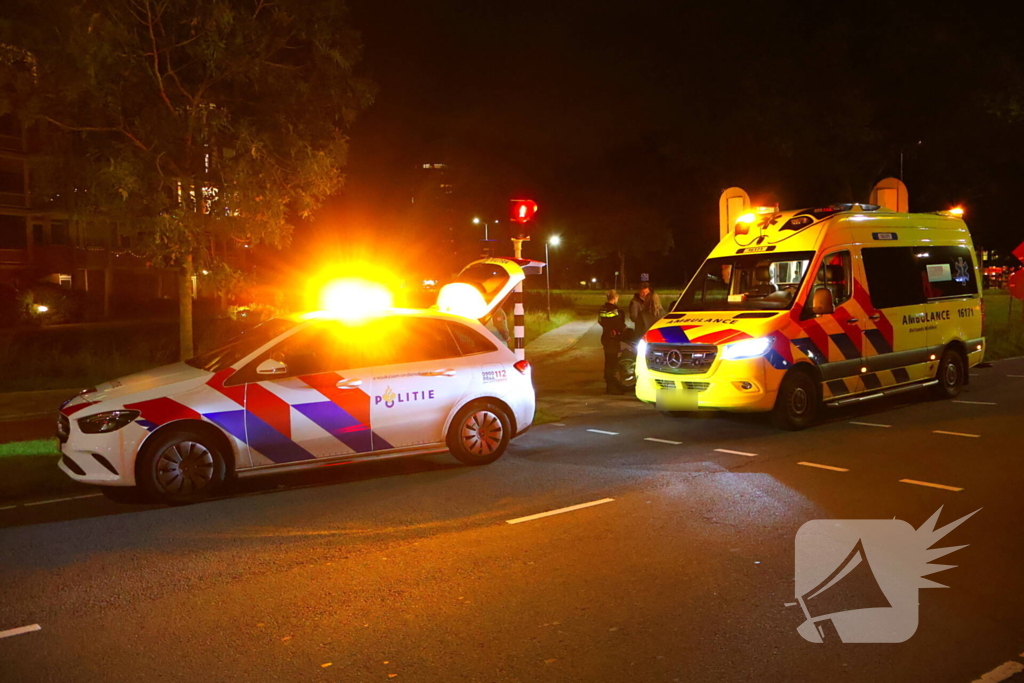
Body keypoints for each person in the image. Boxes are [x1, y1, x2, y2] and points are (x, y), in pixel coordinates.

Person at [599, 290, 627, 394]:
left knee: (608, 362)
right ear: (615, 298)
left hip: (605, 337)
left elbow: (600, 321)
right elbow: (618, 323)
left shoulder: (602, 309)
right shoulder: (614, 310)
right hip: (612, 339)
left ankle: (609, 384)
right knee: (612, 362)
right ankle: (611, 387)